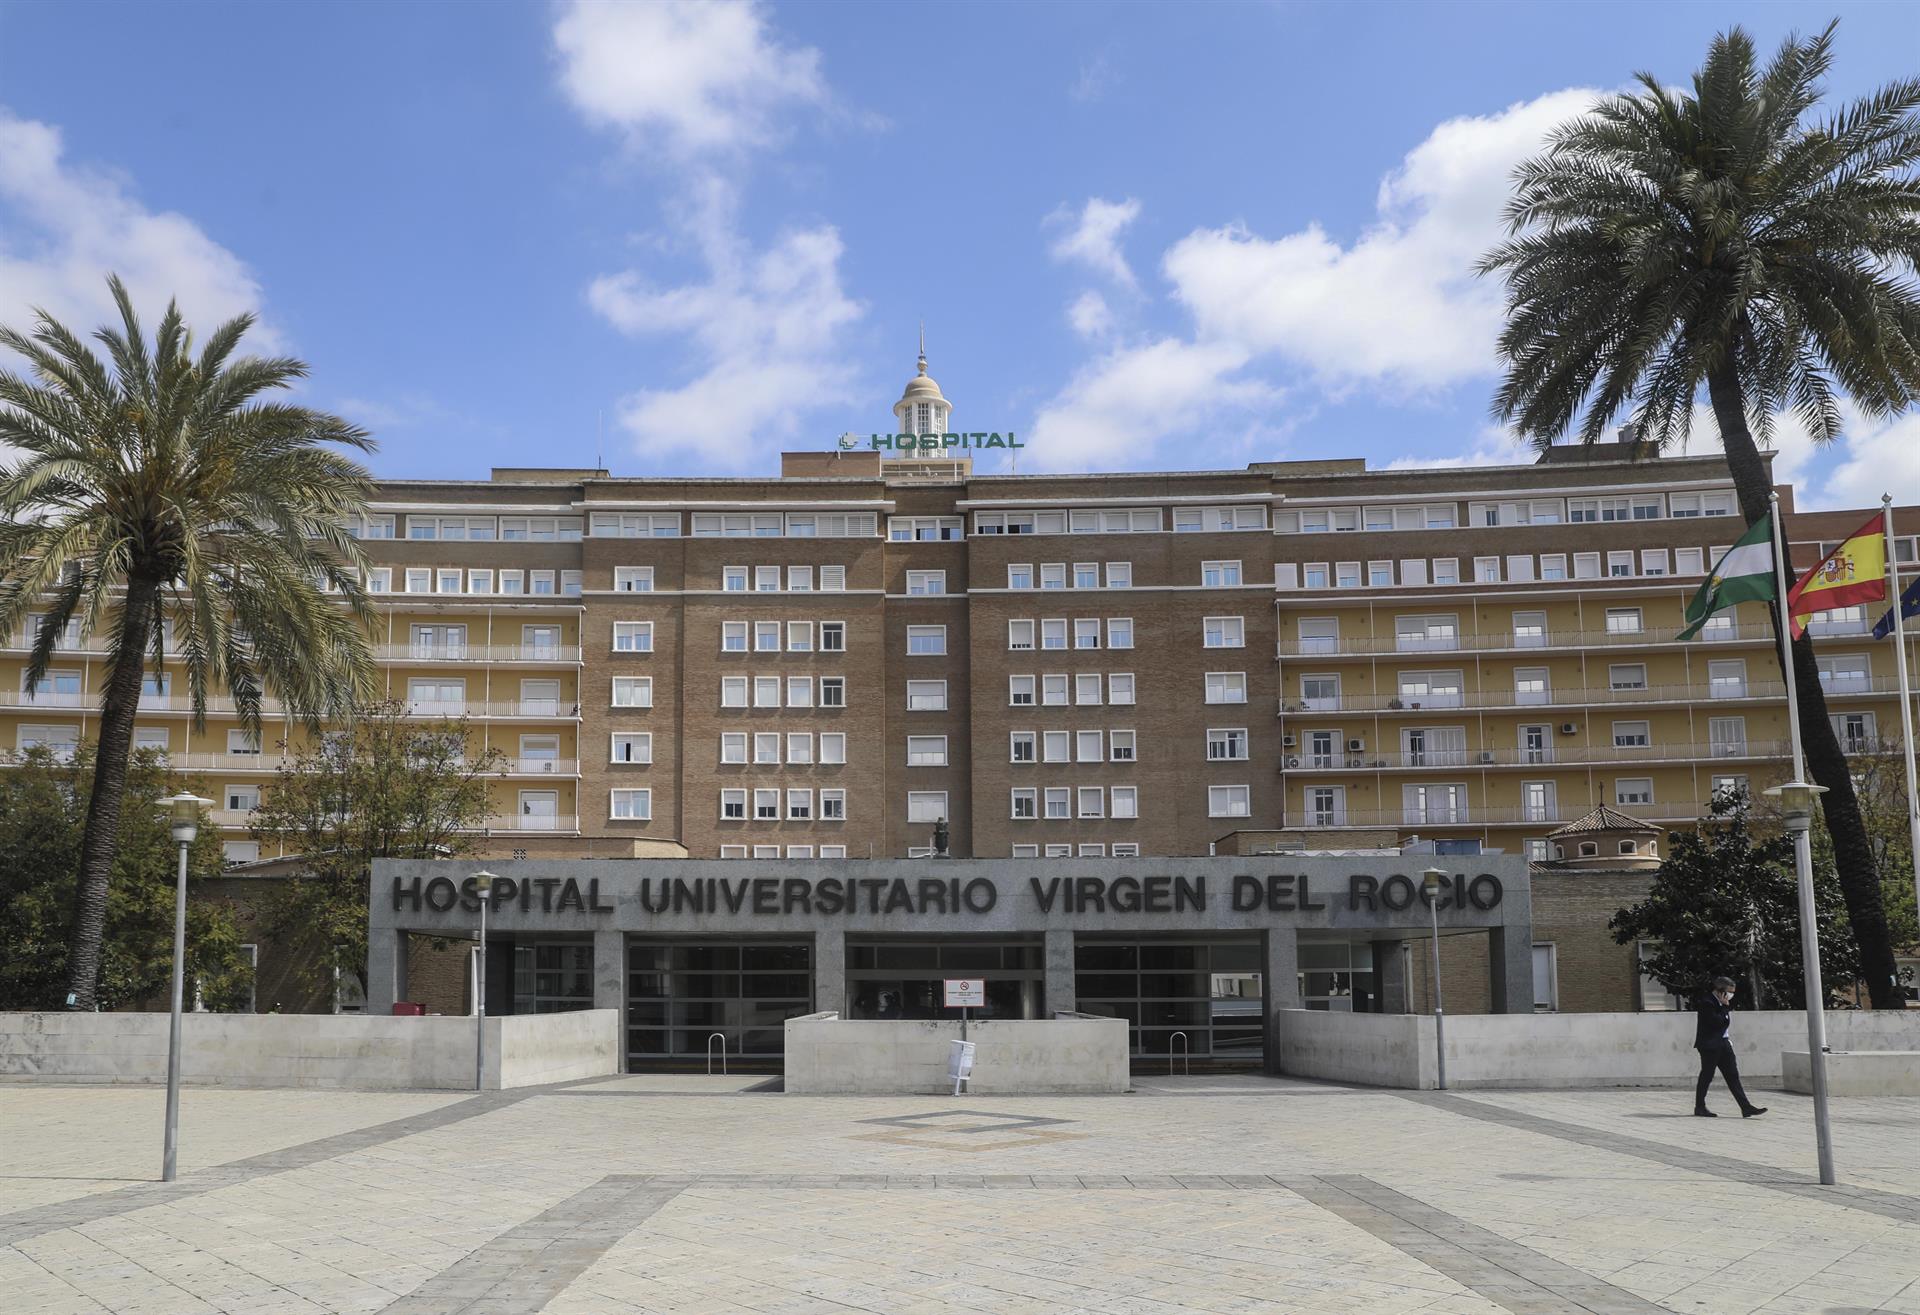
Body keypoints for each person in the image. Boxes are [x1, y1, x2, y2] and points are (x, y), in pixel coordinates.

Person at [1694, 976, 1766, 1118]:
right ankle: (1700, 1106)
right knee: (1707, 1075)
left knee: (1732, 1075)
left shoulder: (1722, 1003)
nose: (1731, 995)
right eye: (1729, 991)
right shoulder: (1707, 1002)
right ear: (1720, 991)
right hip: (1710, 1045)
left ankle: (1746, 1107)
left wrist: (1725, 1007)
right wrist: (1725, 1007)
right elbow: (1717, 1022)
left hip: (1724, 1043)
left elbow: (1724, 1023)